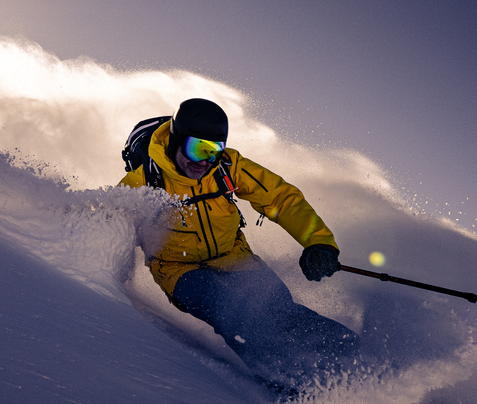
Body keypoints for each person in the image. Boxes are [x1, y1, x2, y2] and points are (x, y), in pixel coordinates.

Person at [120, 98, 359, 389]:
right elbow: (109, 222)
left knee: (280, 311)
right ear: (176, 140)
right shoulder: (142, 183)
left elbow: (280, 198)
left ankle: (360, 361)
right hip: (179, 271)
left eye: (214, 150)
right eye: (198, 149)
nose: (206, 161)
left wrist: (318, 243)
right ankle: (291, 383)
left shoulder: (227, 168)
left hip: (235, 258)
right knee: (232, 312)